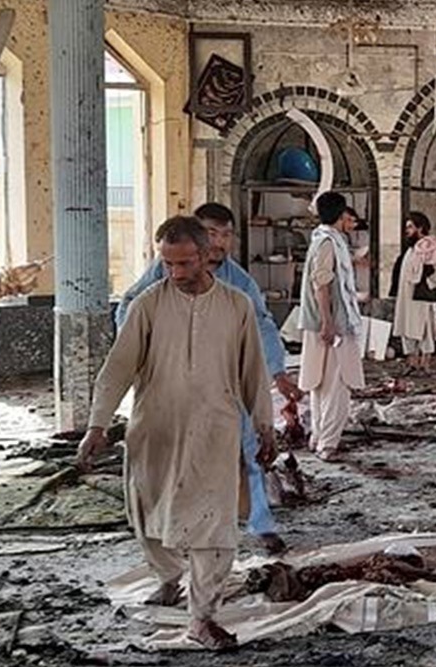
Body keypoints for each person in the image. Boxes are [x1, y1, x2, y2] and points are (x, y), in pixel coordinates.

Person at [77, 216, 275, 649]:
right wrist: (97, 425)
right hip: (155, 430)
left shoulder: (237, 305)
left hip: (215, 431)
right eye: (168, 263)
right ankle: (169, 578)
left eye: (184, 263)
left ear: (206, 256)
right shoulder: (147, 304)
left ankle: (202, 619)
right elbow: (117, 369)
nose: (175, 272)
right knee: (149, 515)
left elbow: (254, 373)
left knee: (215, 526)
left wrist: (265, 426)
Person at [115, 202, 299, 555]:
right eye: (211, 233)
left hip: (224, 384)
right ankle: (171, 525)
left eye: (226, 235)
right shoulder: (161, 277)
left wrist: (278, 371)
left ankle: (261, 523)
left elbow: (262, 325)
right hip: (173, 385)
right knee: (172, 456)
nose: (219, 242)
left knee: (249, 449)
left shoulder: (239, 283)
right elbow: (129, 312)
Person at [299, 192, 366, 462]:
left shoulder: (323, 239)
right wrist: (328, 322)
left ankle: (318, 438)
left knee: (321, 383)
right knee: (337, 385)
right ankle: (327, 443)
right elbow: (322, 284)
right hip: (332, 323)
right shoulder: (327, 243)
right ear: (341, 214)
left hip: (323, 321)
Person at [393, 211, 436, 376]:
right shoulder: (411, 249)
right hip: (407, 297)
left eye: (410, 227)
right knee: (406, 328)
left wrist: (427, 284)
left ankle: (425, 364)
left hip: (422, 297)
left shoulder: (431, 245)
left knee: (426, 330)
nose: (407, 230)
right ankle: (412, 362)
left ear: (420, 228)